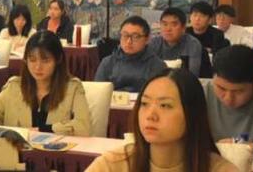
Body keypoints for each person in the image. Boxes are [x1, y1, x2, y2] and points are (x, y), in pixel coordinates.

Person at [85, 68, 238, 172]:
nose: (150, 115)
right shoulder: (113, 165)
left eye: (165, 105)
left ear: (191, 114)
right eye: (144, 103)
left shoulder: (220, 169)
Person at [0, 31, 90, 136]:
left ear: (58, 60)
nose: (38, 67)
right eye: (32, 60)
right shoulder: (14, 86)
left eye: (45, 60)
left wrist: (44, 130)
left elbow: (83, 127)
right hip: (16, 153)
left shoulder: (73, 88)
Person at [96, 16, 168, 92]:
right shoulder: (108, 63)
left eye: (135, 37)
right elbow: (99, 93)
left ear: (147, 39)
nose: (129, 41)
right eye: (125, 35)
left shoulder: (157, 65)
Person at [148, 8, 204, 76]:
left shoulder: (193, 44)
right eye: (165, 24)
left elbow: (192, 74)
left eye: (174, 25)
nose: (168, 29)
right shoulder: (154, 43)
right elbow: (147, 71)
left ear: (183, 28)